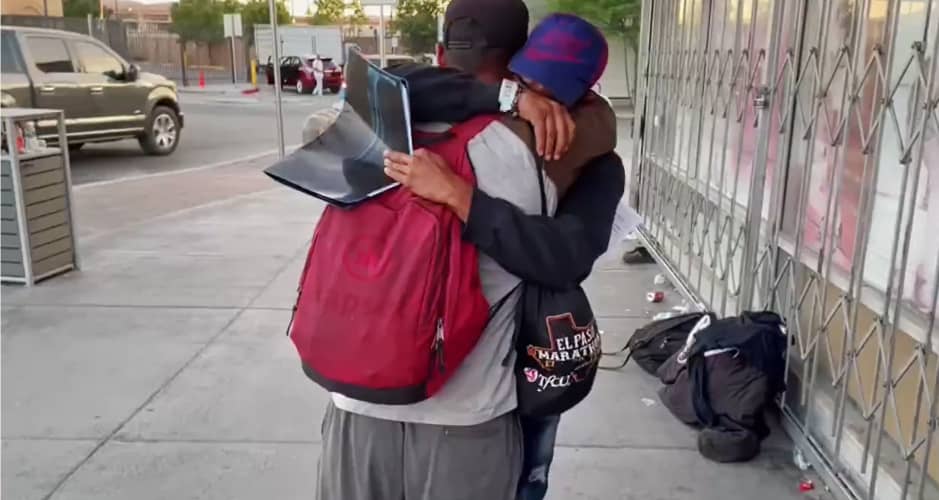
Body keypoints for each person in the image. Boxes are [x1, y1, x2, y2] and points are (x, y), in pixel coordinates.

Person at [384, 13, 617, 500]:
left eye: (546, 90)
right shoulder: (494, 109)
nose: (531, 97)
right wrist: (511, 97)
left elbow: (564, 259)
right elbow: (390, 85)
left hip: (524, 361)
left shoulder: (595, 158)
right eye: (521, 78)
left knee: (526, 477)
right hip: (440, 361)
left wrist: (459, 196)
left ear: (584, 97)